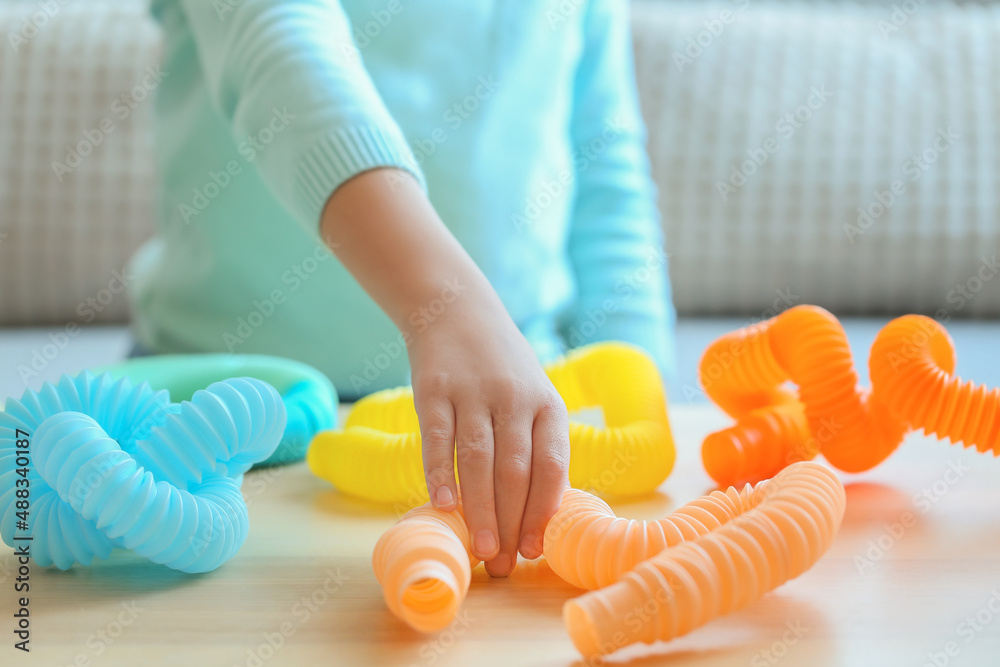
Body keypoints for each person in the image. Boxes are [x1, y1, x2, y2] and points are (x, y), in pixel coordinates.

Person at [130, 0, 676, 578]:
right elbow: (279, 47)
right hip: (210, 412)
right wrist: (448, 308)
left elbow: (603, 173)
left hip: (507, 430)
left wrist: (649, 413)